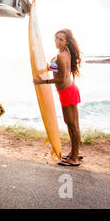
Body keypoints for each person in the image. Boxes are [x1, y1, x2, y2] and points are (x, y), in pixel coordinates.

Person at [34, 29, 82, 167]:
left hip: (67, 92)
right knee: (70, 124)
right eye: (56, 38)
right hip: (67, 92)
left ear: (66, 41)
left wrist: (42, 82)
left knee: (73, 125)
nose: (57, 41)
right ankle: (75, 152)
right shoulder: (63, 54)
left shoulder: (62, 56)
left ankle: (74, 158)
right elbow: (56, 69)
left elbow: (60, 80)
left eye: (61, 39)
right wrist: (45, 68)